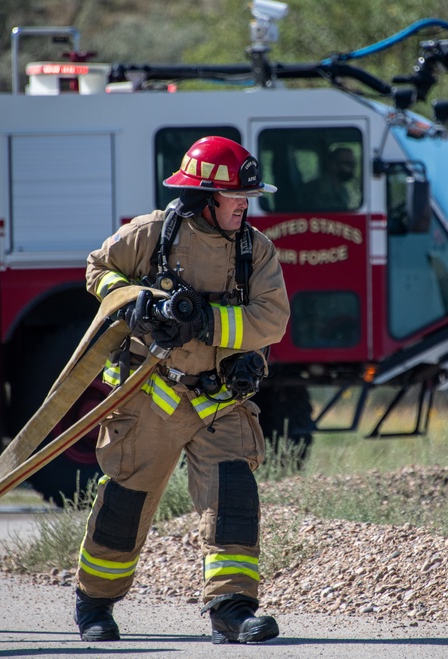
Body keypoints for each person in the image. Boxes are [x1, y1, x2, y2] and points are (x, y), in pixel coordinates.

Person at [74, 136, 290, 645]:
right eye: (235, 196)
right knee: (126, 502)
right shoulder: (152, 234)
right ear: (203, 197)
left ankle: (233, 609)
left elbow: (272, 319)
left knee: (232, 499)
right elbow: (97, 269)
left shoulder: (255, 250)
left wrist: (206, 322)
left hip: (219, 400)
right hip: (150, 394)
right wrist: (138, 301)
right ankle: (95, 604)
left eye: (248, 197)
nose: (245, 206)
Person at [297, 145, 357, 210]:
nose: (351, 168)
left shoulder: (342, 190)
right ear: (333, 164)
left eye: (353, 164)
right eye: (348, 163)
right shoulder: (315, 189)